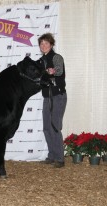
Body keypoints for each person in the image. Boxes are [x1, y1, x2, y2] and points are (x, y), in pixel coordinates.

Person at [38, 33, 67, 168]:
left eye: (46, 43)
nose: (43, 46)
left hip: (57, 96)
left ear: (51, 44)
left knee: (55, 126)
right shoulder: (40, 61)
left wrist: (52, 71)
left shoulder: (56, 57)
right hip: (47, 97)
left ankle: (60, 158)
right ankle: (52, 155)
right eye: (41, 43)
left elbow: (59, 71)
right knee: (46, 128)